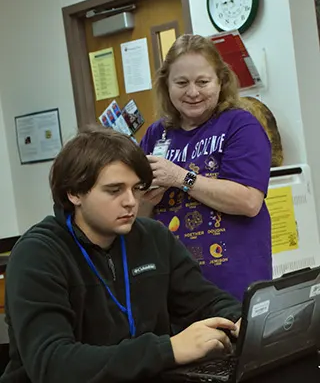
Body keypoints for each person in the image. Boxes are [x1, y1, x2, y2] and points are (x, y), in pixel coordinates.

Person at [1, 126, 242, 383]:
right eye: (114, 190)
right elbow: (53, 364)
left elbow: (205, 301)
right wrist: (167, 350)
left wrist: (240, 321)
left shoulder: (153, 237)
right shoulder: (38, 254)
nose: (131, 202)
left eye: (136, 189)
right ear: (74, 193)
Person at [140, 34, 272, 300]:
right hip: (174, 288)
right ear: (166, 85)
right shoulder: (156, 135)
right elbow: (140, 216)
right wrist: (146, 200)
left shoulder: (240, 126)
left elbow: (248, 201)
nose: (192, 92)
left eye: (202, 82)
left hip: (233, 286)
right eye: (181, 82)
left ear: (220, 81)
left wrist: (180, 177)